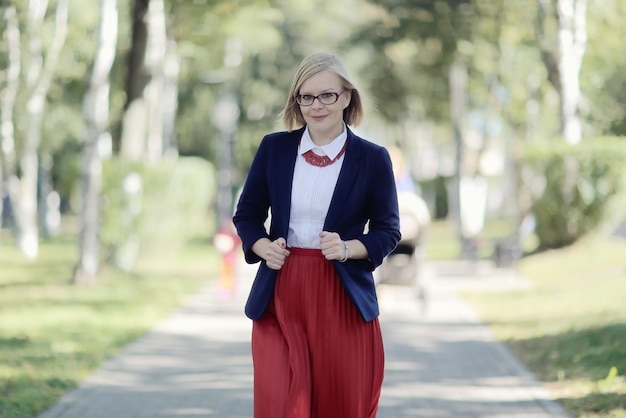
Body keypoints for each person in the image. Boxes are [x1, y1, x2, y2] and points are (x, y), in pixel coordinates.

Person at [233, 52, 401, 418]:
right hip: (281, 290)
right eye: (306, 97)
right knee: (280, 404)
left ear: (345, 97)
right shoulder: (274, 149)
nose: (316, 105)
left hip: (340, 295)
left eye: (327, 95)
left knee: (339, 405)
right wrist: (263, 247)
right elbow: (246, 214)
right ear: (297, 101)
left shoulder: (373, 158)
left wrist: (346, 248)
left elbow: (388, 231)